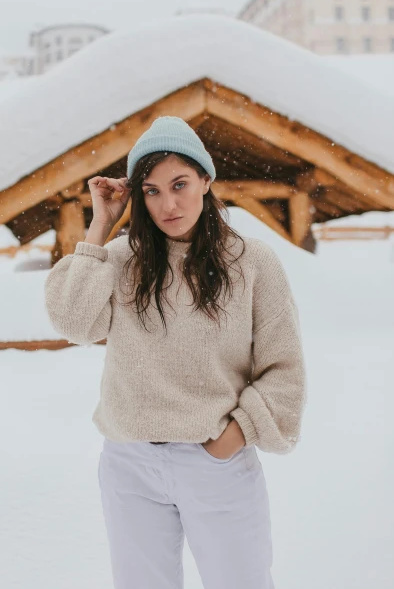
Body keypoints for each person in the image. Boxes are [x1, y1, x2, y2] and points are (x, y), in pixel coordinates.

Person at [44, 115, 307, 589]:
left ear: (206, 180)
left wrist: (235, 434)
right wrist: (101, 223)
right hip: (130, 465)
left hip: (215, 463)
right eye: (151, 190)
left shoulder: (251, 261)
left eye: (180, 184)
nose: (168, 203)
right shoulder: (124, 260)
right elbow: (72, 322)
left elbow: (283, 368)